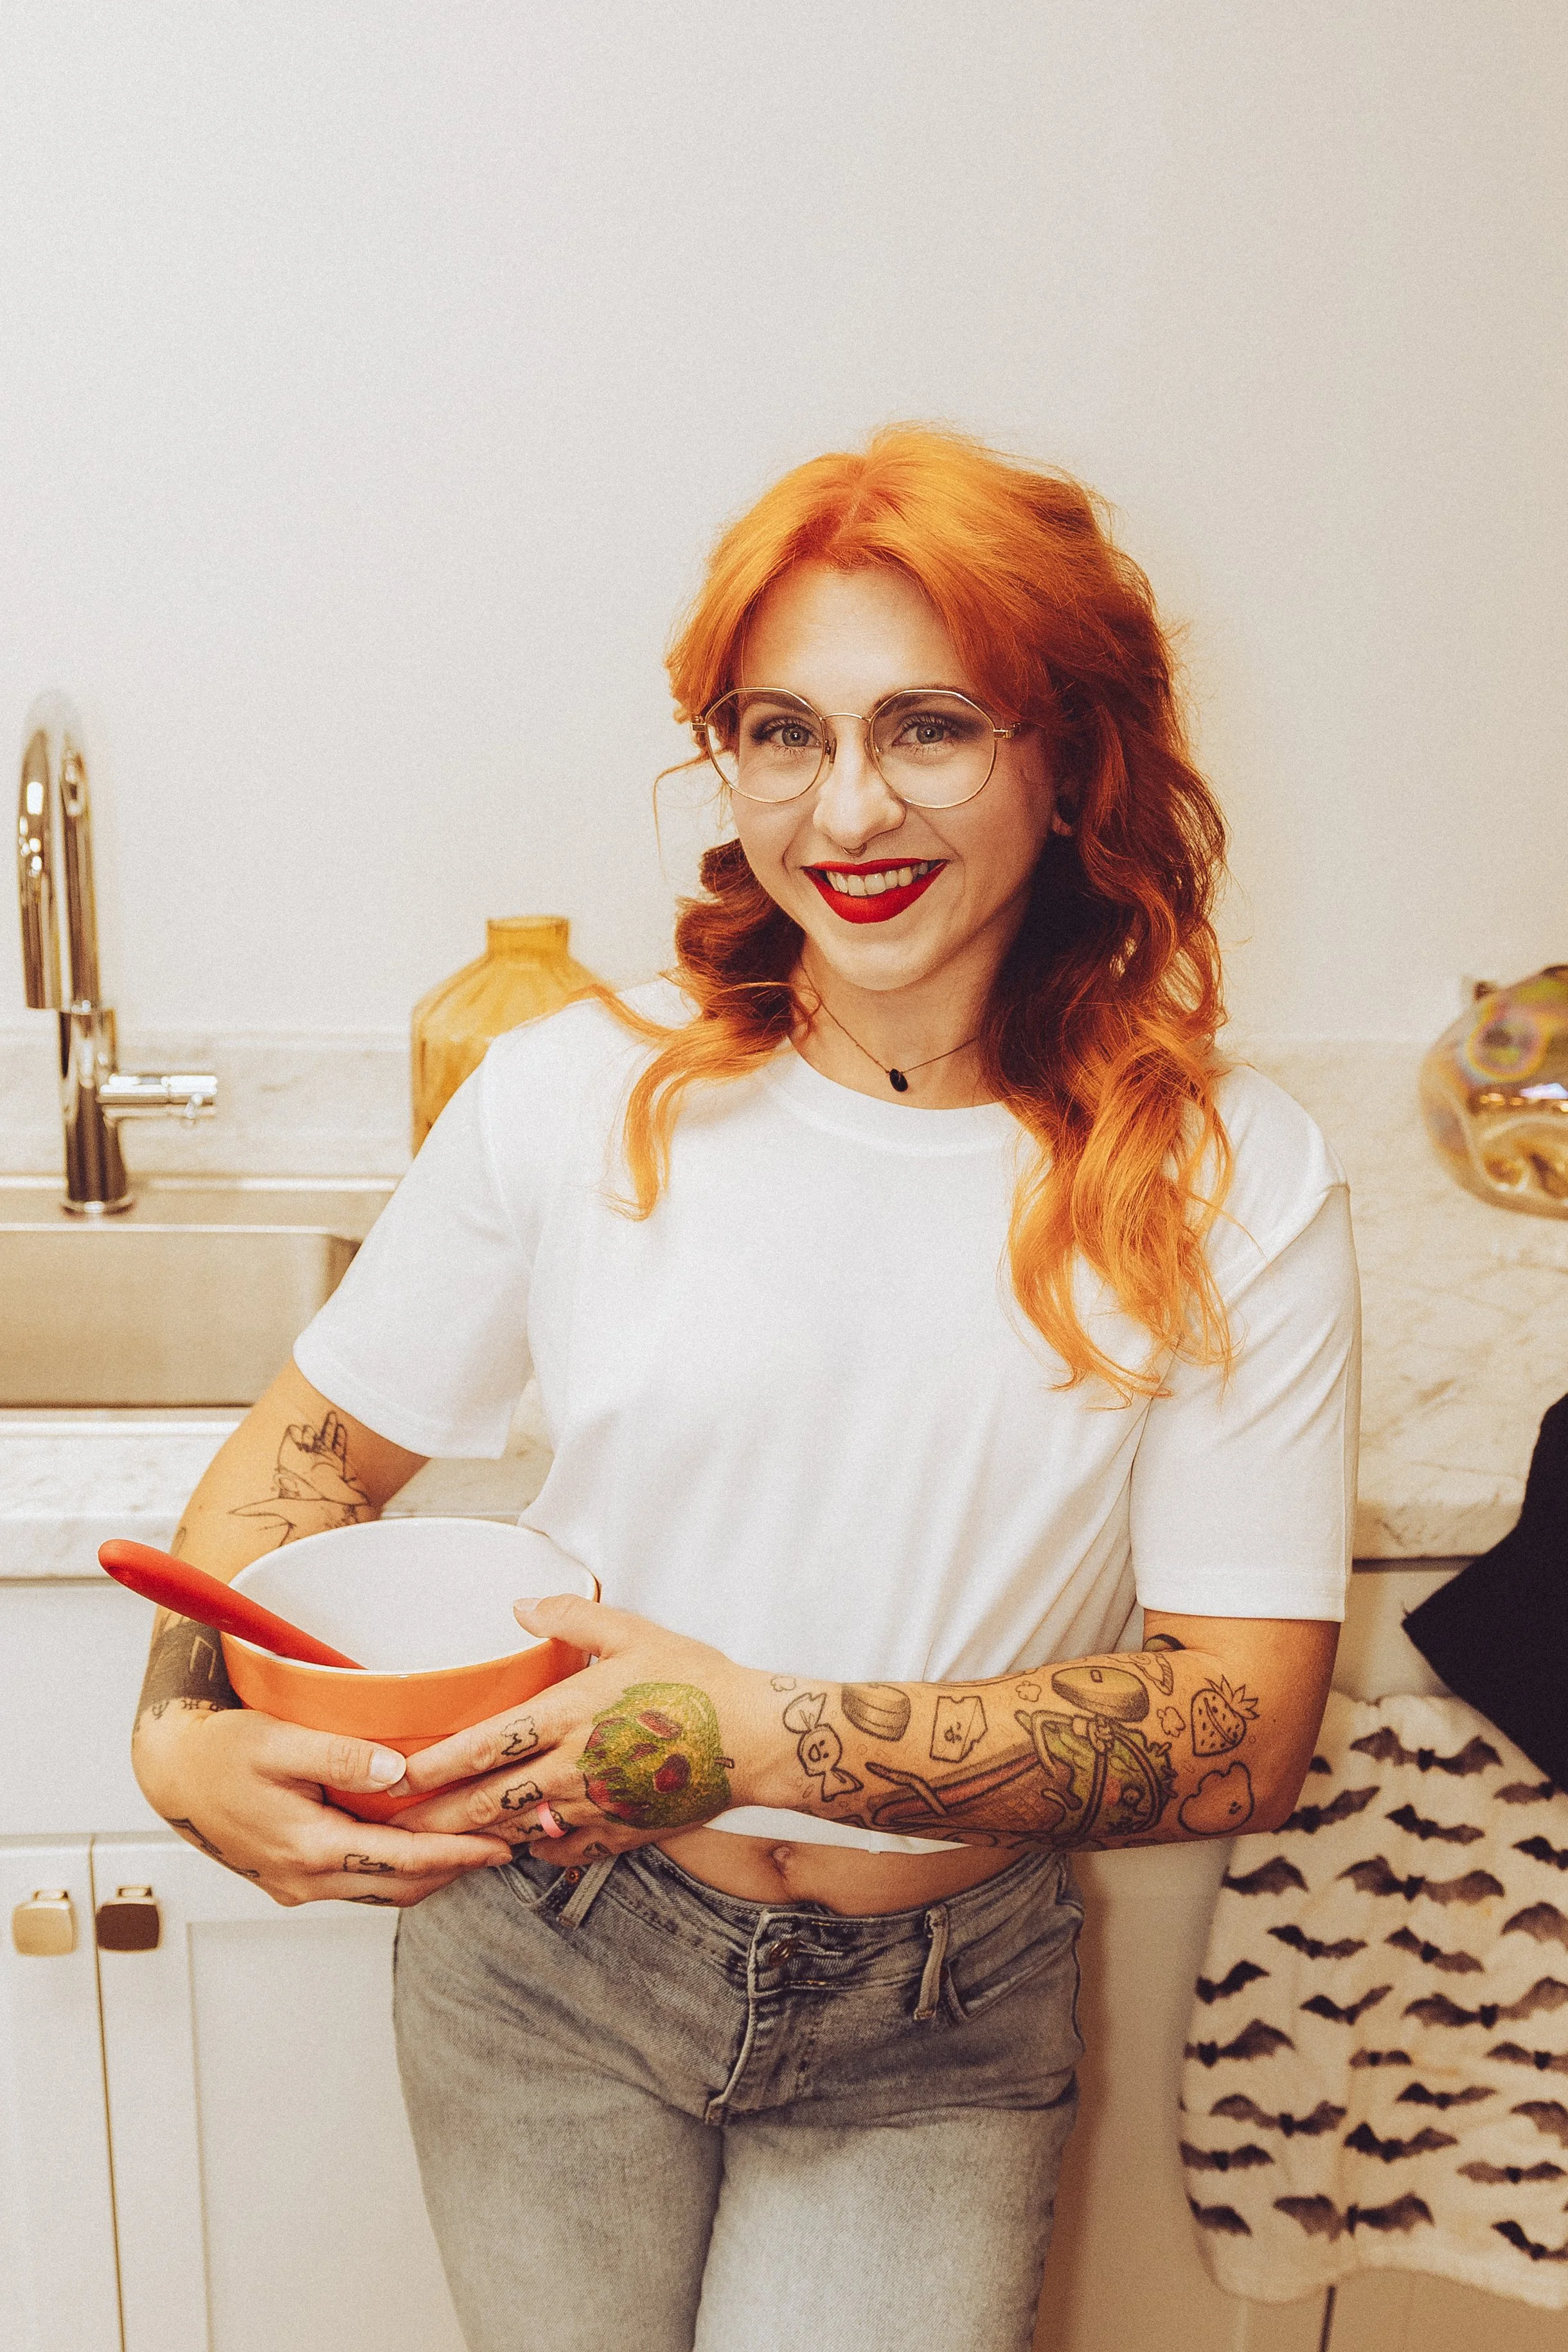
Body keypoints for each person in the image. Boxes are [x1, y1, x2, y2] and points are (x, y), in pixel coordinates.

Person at [130, 427, 1357, 2352]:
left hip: (941, 2009)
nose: (846, 809)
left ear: (1070, 757)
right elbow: (297, 1468)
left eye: (929, 725)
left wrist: (760, 1731)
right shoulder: (573, 1095)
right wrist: (184, 1743)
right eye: (781, 732)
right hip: (549, 1956)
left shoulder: (1226, 1177)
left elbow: (1238, 1726)